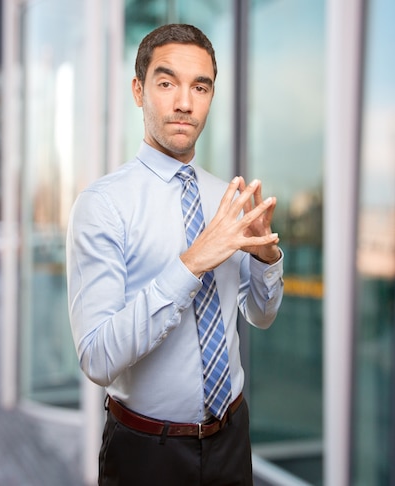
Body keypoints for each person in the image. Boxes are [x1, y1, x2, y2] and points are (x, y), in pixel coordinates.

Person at [66, 24, 284, 485]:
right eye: (167, 84)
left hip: (231, 438)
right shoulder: (103, 205)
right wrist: (190, 264)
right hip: (147, 453)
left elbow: (260, 316)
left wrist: (266, 260)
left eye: (199, 87)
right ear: (138, 90)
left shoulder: (227, 198)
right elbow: (97, 358)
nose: (185, 102)